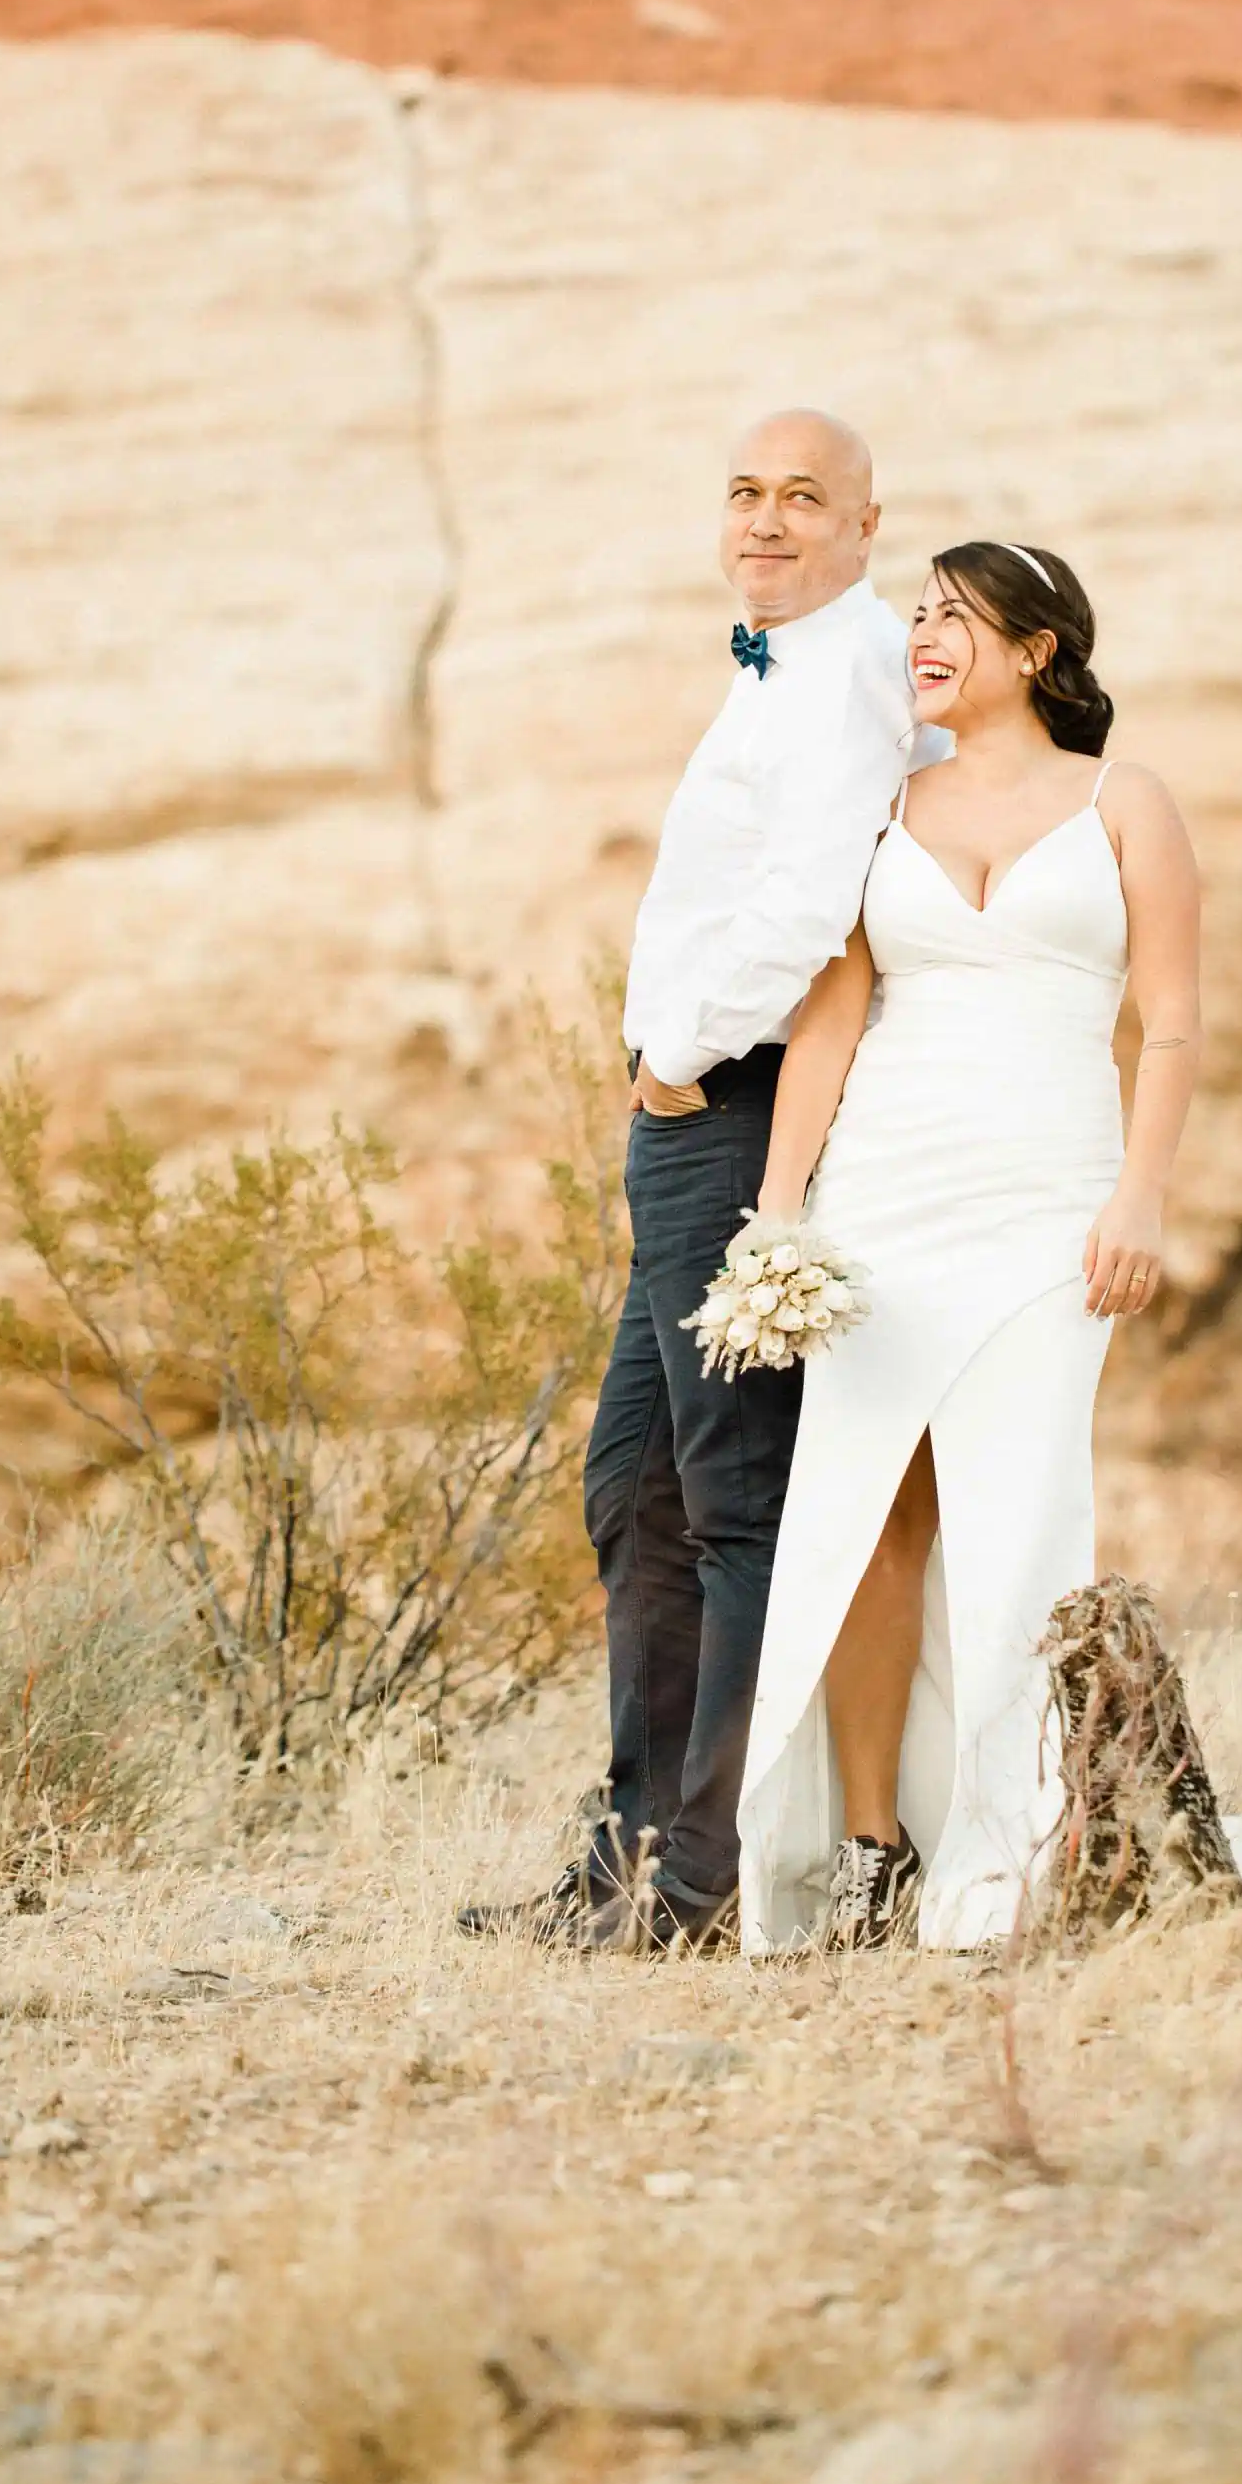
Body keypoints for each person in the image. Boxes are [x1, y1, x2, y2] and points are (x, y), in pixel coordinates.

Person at [466, 409, 922, 1951]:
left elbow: (809, 905)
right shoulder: (775, 669)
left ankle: (697, 1885)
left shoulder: (852, 671)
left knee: (728, 1500)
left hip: (727, 1107)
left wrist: (678, 1059)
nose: (768, 521)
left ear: (868, 524)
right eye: (745, 492)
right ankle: (626, 1851)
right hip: (687, 1110)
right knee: (636, 1492)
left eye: (806, 497)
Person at [736, 542, 1203, 1954]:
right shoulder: (885, 805)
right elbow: (829, 1021)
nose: (923, 636)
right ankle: (873, 1844)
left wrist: (1141, 1198)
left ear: (1039, 649)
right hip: (886, 1192)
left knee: (1024, 1513)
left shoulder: (1129, 803)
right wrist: (778, 1210)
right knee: (873, 1513)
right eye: (920, 614)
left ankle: (1017, 1847)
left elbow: (1171, 1024)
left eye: (955, 616)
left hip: (1052, 1198)